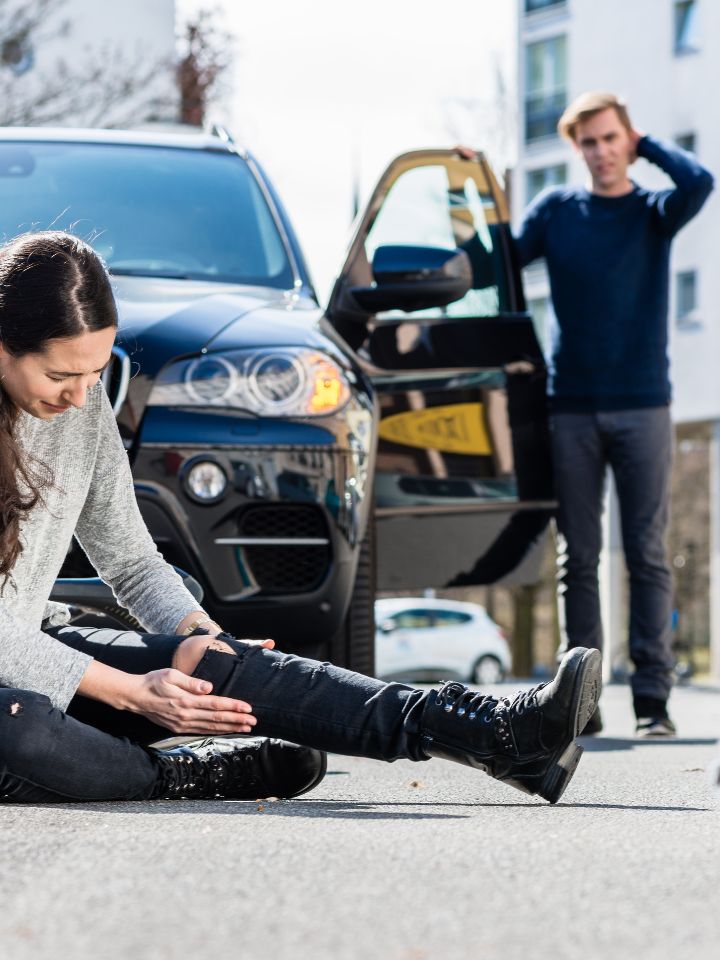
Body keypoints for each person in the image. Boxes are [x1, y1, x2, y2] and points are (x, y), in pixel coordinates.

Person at [0, 231, 601, 805]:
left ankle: (495, 736)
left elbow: (132, 564)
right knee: (21, 730)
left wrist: (208, 641)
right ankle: (187, 774)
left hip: (39, 647)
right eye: (60, 376)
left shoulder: (81, 406)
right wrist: (133, 692)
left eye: (95, 374)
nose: (80, 397)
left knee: (208, 661)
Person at [515, 92, 714, 736]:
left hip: (643, 406)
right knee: (578, 558)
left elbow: (700, 181)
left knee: (647, 554)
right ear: (577, 150)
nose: (601, 152)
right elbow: (501, 257)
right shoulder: (557, 211)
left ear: (627, 139)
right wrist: (472, 181)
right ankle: (582, 702)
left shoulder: (654, 212)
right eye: (589, 143)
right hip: (571, 407)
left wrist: (646, 142)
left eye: (610, 138)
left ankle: (653, 701)